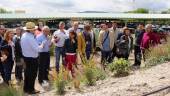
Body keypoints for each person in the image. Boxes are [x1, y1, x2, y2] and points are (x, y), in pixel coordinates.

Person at [21, 22, 43, 94]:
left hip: (26, 57)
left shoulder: (24, 35)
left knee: (27, 74)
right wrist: (42, 45)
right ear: (30, 30)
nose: (35, 30)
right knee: (32, 75)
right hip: (32, 59)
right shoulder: (30, 37)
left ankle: (26, 88)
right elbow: (38, 49)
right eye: (34, 29)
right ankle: (31, 89)